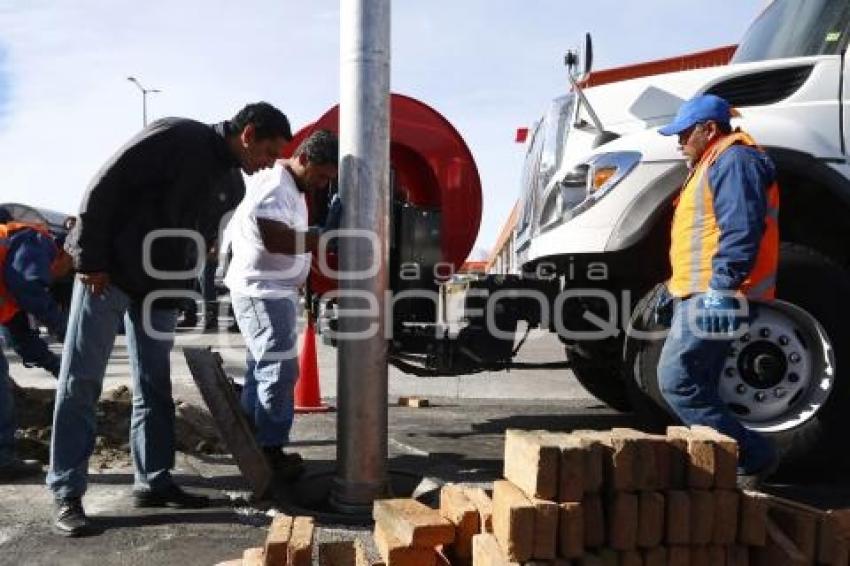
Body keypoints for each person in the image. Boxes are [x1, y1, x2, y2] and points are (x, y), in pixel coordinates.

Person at [47, 102, 292, 537]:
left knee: (155, 387)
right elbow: (104, 187)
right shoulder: (177, 137)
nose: (270, 164)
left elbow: (196, 243)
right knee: (81, 382)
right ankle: (66, 491)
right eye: (268, 152)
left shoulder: (232, 186)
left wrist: (181, 293)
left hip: (157, 291)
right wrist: (88, 259)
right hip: (109, 274)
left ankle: (154, 480)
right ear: (249, 133)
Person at [655, 94, 780, 487]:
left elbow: (741, 230)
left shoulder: (734, 160)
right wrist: (671, 290)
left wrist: (721, 289)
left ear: (708, 129)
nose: (679, 143)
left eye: (684, 134)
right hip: (699, 292)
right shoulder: (712, 163)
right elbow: (701, 237)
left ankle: (753, 456)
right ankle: (725, 468)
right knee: (697, 382)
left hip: (717, 293)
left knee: (678, 380)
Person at [224, 129, 338, 480]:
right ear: (303, 159)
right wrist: (323, 235)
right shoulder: (278, 185)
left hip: (271, 290)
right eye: (319, 175)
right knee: (279, 370)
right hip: (262, 290)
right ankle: (270, 451)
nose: (320, 184)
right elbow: (275, 239)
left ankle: (255, 442)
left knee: (263, 369)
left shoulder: (292, 186)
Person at [1, 222, 73, 480]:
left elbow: (21, 338)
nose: (61, 276)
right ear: (67, 251)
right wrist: (66, 328)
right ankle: (2, 461)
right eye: (70, 270)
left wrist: (58, 367)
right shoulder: (35, 241)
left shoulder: (9, 272)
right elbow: (28, 288)